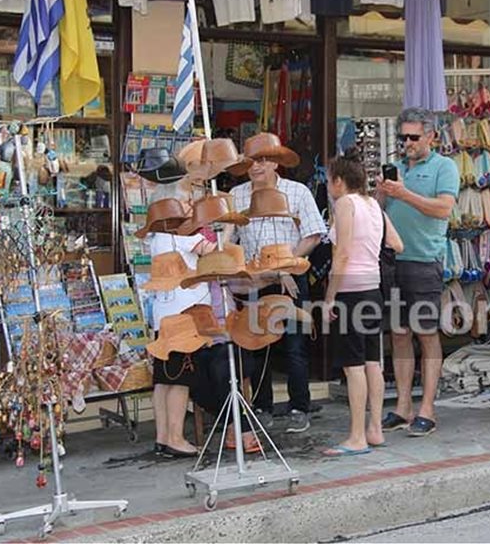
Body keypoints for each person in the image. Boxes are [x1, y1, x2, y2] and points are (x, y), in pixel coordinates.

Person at [377, 107, 459, 437]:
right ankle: (402, 406)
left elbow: (443, 209)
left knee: (426, 333)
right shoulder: (396, 169)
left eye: (413, 137)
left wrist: (404, 194)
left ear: (431, 136)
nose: (407, 143)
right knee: (398, 334)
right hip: (393, 261)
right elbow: (379, 210)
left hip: (424, 261)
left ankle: (427, 407)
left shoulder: (445, 167)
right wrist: (382, 193)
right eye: (403, 137)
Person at [229, 154, 326, 433]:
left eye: (261, 160)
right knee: (258, 344)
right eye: (250, 162)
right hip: (255, 281)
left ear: (274, 162)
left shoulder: (297, 191)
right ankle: (262, 406)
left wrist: (284, 267)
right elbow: (230, 240)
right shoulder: (237, 195)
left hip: (291, 279)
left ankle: (299, 406)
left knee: (295, 344)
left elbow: (313, 235)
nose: (255, 167)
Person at [322, 151, 403, 456]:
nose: (328, 186)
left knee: (353, 366)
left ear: (339, 181)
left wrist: (330, 298)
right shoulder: (373, 205)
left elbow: (340, 255)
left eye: (330, 181)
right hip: (373, 290)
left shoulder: (345, 204)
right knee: (372, 363)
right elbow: (397, 243)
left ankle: (356, 437)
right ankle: (375, 430)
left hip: (351, 293)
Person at [146, 180, 216, 457]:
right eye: (187, 201)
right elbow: (212, 251)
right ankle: (175, 437)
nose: (190, 206)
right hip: (185, 316)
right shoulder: (183, 234)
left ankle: (163, 437)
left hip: (164, 317)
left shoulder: (157, 236)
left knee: (163, 379)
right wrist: (220, 224)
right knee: (180, 380)